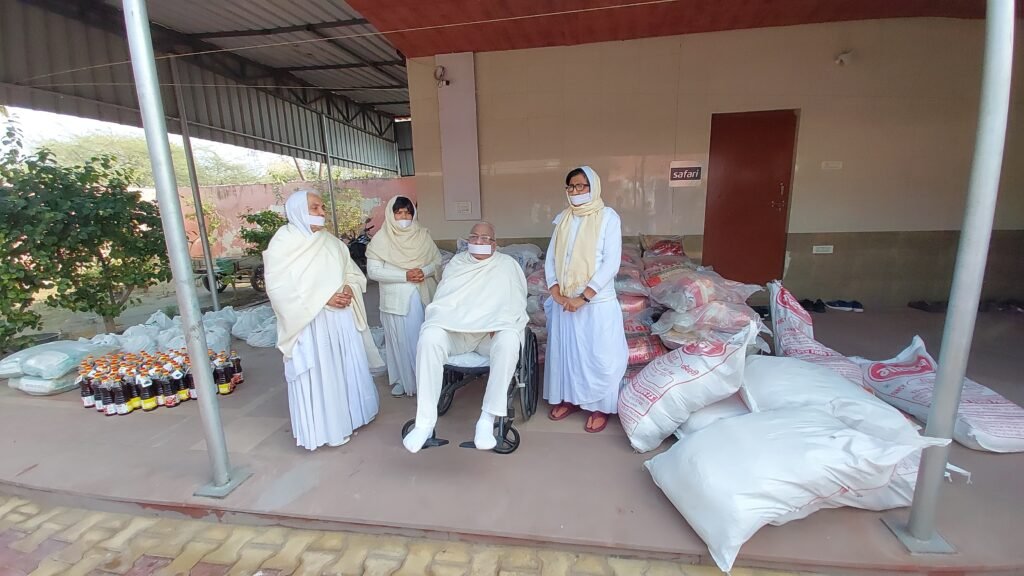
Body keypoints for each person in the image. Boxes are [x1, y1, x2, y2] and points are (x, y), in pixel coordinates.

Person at [263, 191, 384, 451]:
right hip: (311, 324)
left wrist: (349, 289)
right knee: (322, 373)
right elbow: (279, 287)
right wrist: (325, 298)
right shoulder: (283, 244)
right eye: (314, 207)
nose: (322, 212)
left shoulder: (332, 243)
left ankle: (352, 417)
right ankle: (327, 428)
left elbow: (352, 273)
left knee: (343, 368)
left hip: (341, 320)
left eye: (322, 207)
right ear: (297, 210)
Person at [402, 222, 528, 453]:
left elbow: (516, 301)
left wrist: (500, 321)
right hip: (458, 333)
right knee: (430, 336)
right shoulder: (457, 264)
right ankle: (424, 423)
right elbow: (444, 300)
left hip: (489, 336)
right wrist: (453, 320)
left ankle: (487, 420)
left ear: (494, 244)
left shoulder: (507, 265)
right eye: (474, 237)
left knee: (510, 339)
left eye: (485, 238)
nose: (479, 242)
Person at [543, 166, 628, 433]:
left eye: (581, 186)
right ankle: (569, 399)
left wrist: (585, 296)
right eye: (571, 186)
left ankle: (600, 407)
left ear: (594, 187)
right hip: (565, 302)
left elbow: (611, 262)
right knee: (566, 355)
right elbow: (551, 257)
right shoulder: (563, 218)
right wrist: (555, 291)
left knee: (598, 356)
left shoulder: (608, 217)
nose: (576, 191)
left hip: (595, 302)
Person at [366, 196, 442, 399]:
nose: (404, 217)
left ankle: (426, 380)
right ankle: (402, 379)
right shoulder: (381, 239)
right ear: (391, 215)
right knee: (399, 341)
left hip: (422, 295)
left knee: (422, 339)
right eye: (399, 213)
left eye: (408, 213)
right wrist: (404, 275)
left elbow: (437, 260)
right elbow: (373, 271)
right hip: (395, 300)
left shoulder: (422, 235)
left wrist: (424, 271)